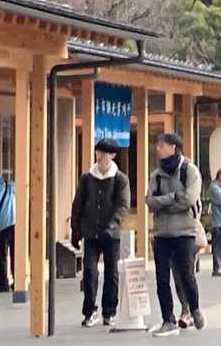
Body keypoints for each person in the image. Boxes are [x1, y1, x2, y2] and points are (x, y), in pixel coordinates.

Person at [145, 132, 204, 337]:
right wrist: (171, 198)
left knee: (186, 275)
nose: (158, 149)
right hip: (161, 233)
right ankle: (167, 319)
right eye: (157, 145)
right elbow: (150, 201)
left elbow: (189, 198)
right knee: (161, 278)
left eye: (162, 145)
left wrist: (165, 204)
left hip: (184, 232)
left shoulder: (190, 171)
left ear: (173, 147)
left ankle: (194, 309)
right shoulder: (156, 175)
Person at [70, 137, 130, 327]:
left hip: (111, 235)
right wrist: (75, 228)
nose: (100, 156)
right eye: (98, 152)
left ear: (112, 155)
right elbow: (78, 203)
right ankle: (89, 311)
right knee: (89, 271)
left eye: (104, 153)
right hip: (90, 232)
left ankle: (109, 311)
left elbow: (123, 206)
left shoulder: (120, 178)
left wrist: (113, 225)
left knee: (112, 273)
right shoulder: (87, 177)